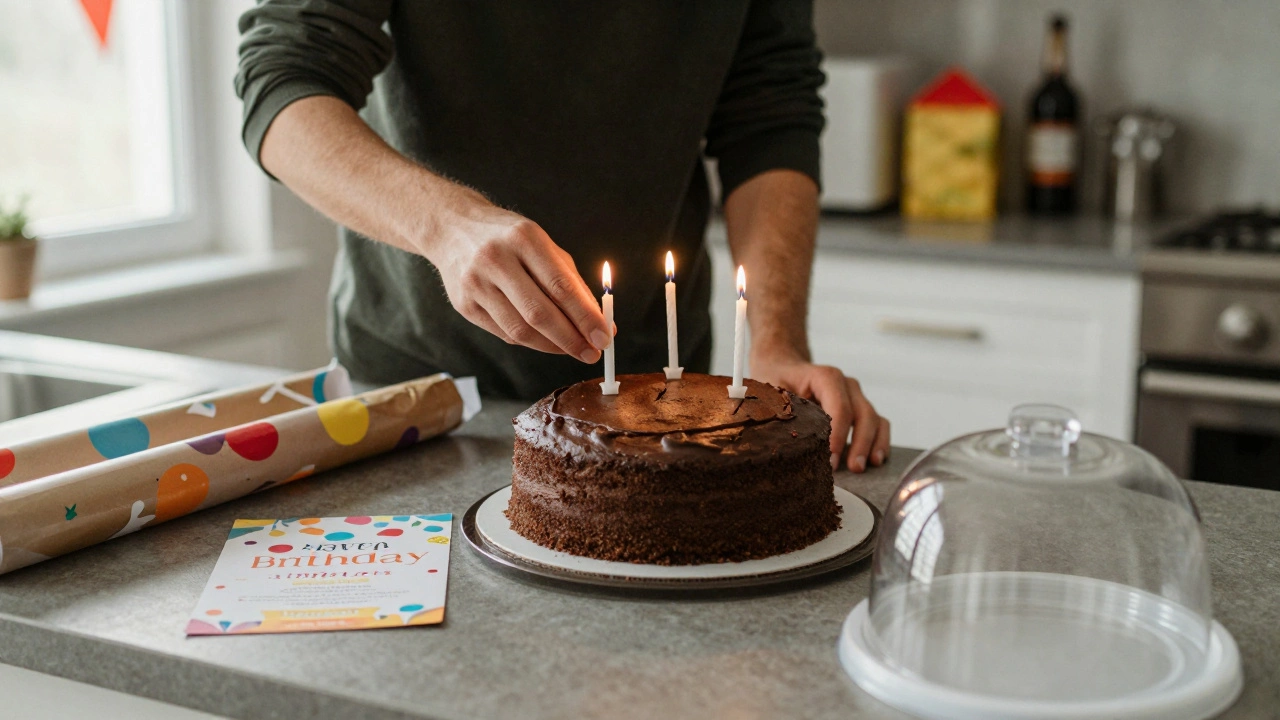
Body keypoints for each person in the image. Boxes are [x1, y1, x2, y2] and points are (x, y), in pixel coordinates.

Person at [235, 0, 889, 472]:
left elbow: (770, 115)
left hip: (658, 388)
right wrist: (446, 226)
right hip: (414, 395)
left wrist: (774, 345)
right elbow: (285, 81)